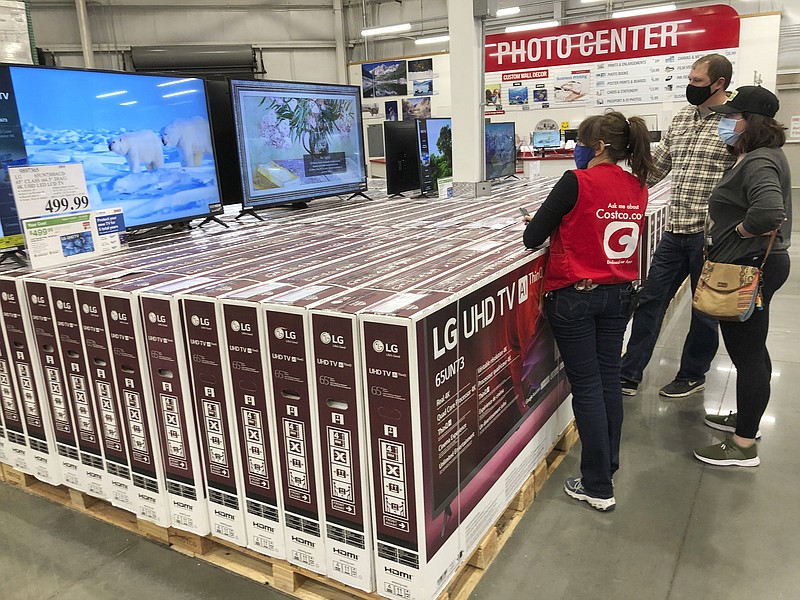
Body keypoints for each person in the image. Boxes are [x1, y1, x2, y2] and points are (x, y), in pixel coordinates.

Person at [523, 111, 653, 511]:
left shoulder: (575, 182)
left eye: (579, 142)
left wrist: (550, 223)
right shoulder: (637, 186)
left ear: (596, 147)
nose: (575, 149)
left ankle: (597, 485)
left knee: (588, 387)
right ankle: (607, 467)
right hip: (619, 296)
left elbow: (532, 237)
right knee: (608, 379)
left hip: (576, 298)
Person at [620, 54, 736, 399]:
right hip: (675, 229)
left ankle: (692, 374)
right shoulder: (683, 118)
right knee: (651, 300)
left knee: (704, 311)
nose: (690, 86)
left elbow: (743, 174)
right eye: (690, 79)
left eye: (697, 82)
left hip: (711, 235)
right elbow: (658, 168)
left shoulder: (734, 123)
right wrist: (617, 186)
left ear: (720, 84)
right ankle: (629, 373)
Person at [693, 86, 791, 466]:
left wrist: (739, 232)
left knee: (746, 354)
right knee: (753, 348)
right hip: (754, 264)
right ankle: (748, 418)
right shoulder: (758, 156)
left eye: (732, 117)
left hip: (750, 266)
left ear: (751, 122)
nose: (725, 122)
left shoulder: (758, 161)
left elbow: (769, 212)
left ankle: (744, 443)